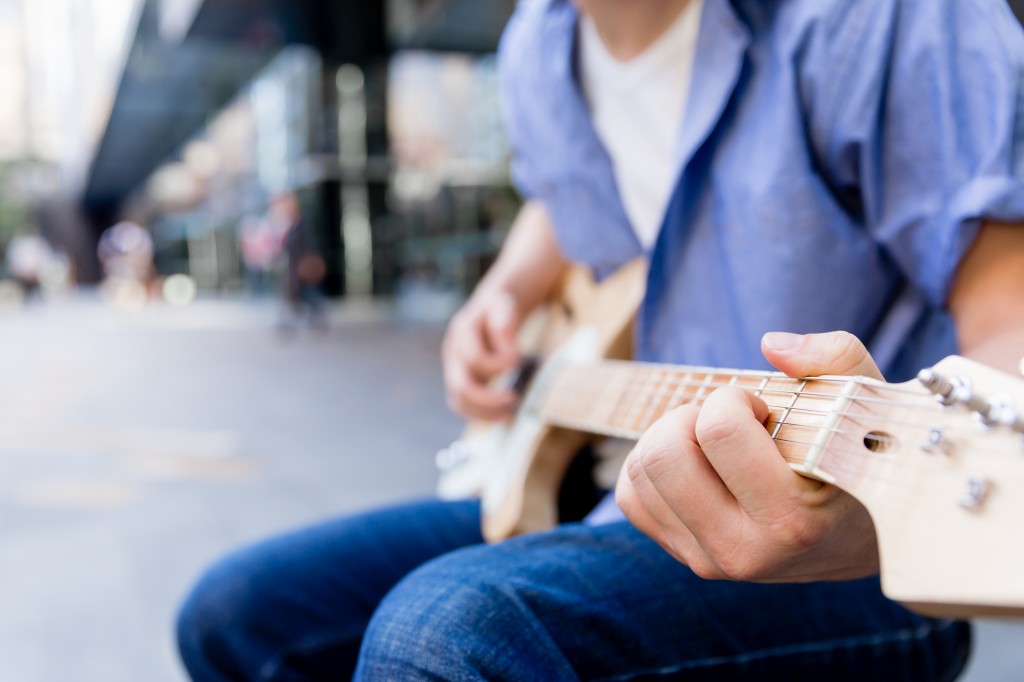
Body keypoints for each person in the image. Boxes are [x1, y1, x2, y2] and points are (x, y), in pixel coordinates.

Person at [176, 0, 1024, 679]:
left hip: (844, 553)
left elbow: (1011, 317)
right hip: (608, 491)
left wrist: (870, 517)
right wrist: (503, 293)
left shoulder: (877, 18)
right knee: (235, 613)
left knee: (445, 635)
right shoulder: (538, 46)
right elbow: (563, 198)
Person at [271, 192, 326, 332]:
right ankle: (288, 322)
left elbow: (309, 244)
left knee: (307, 294)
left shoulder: (302, 224)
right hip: (293, 268)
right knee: (293, 294)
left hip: (302, 266)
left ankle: (306, 318)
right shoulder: (290, 224)